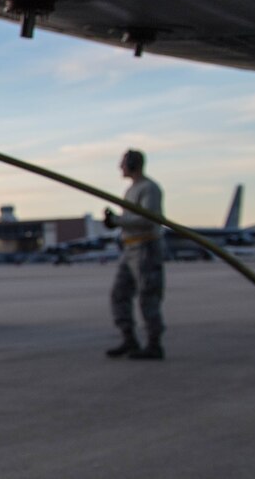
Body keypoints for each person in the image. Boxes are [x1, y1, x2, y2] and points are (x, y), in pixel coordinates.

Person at [103, 149, 166, 360]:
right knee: (119, 294)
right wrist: (116, 222)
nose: (120, 167)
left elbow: (149, 219)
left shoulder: (149, 188)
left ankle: (154, 344)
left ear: (132, 164)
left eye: (122, 163)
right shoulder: (131, 190)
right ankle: (129, 339)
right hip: (129, 248)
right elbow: (131, 219)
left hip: (145, 247)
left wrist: (117, 221)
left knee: (148, 295)